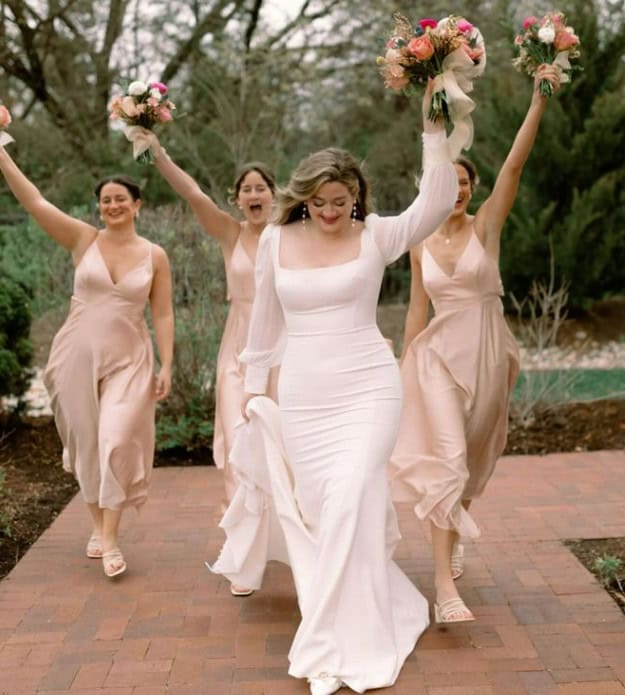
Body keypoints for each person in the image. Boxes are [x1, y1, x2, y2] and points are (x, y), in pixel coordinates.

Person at [213, 80, 457, 695]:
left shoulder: (376, 235)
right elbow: (264, 323)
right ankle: (355, 607)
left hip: (369, 388)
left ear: (357, 198)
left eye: (341, 200)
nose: (329, 210)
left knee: (350, 496)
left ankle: (329, 638)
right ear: (303, 199)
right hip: (304, 396)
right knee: (323, 511)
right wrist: (251, 385)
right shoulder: (274, 239)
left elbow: (433, 204)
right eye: (319, 200)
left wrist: (434, 129)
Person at [389, 64, 562, 623]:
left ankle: (452, 534)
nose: (459, 191)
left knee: (470, 463)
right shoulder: (418, 243)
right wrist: (400, 371)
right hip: (438, 358)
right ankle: (445, 588)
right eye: (450, 184)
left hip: (489, 353)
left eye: (466, 184)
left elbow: (515, 164)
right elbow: (418, 309)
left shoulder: (487, 226)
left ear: (474, 190)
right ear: (436, 189)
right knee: (445, 460)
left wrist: (538, 101)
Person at [0, 144, 174, 579]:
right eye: (105, 200)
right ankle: (98, 527)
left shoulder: (155, 255)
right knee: (86, 443)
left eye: (121, 199)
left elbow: (163, 312)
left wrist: (167, 364)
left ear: (137, 205)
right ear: (99, 208)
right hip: (76, 354)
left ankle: (112, 540)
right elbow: (35, 200)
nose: (112, 205)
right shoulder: (84, 239)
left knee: (116, 440)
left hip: (130, 359)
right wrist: (2, 154)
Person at [129, 132, 277, 505]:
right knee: (237, 431)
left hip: (281, 347)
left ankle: (282, 522)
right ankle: (240, 521)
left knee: (280, 440)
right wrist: (157, 152)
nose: (254, 195)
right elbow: (193, 194)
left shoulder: (290, 235)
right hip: (238, 347)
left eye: (261, 188)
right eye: (247, 189)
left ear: (274, 194)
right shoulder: (230, 233)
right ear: (238, 198)